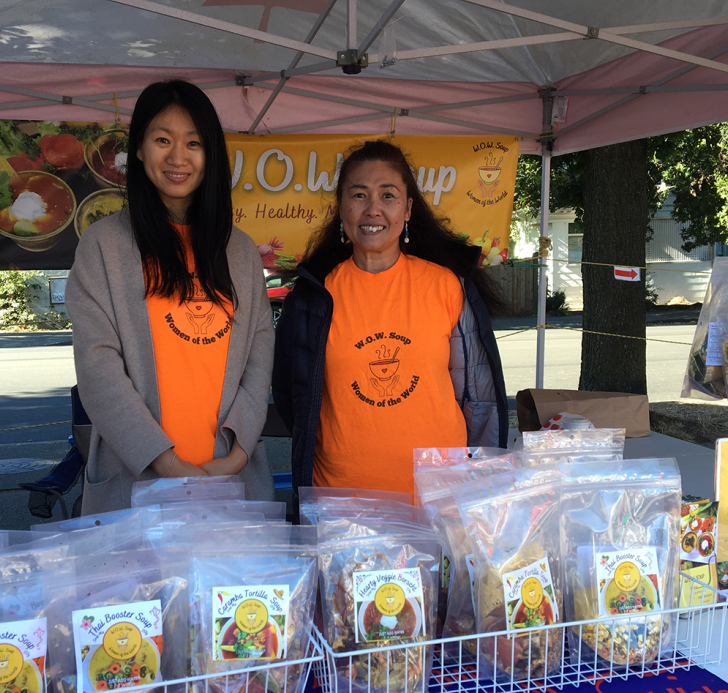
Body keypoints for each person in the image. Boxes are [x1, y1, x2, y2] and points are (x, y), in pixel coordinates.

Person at [66, 80, 274, 514]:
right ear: (139, 149)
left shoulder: (237, 249)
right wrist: (166, 462)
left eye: (194, 143)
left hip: (229, 480)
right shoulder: (104, 246)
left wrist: (237, 456)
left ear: (210, 154)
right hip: (137, 482)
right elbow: (98, 369)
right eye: (163, 139)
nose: (178, 157)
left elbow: (258, 355)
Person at [272, 139, 508, 500]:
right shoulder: (312, 297)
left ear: (408, 208)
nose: (373, 210)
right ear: (341, 208)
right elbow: (293, 398)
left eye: (388, 196)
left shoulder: (446, 285)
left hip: (438, 497)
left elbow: (479, 397)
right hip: (340, 498)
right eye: (359, 195)